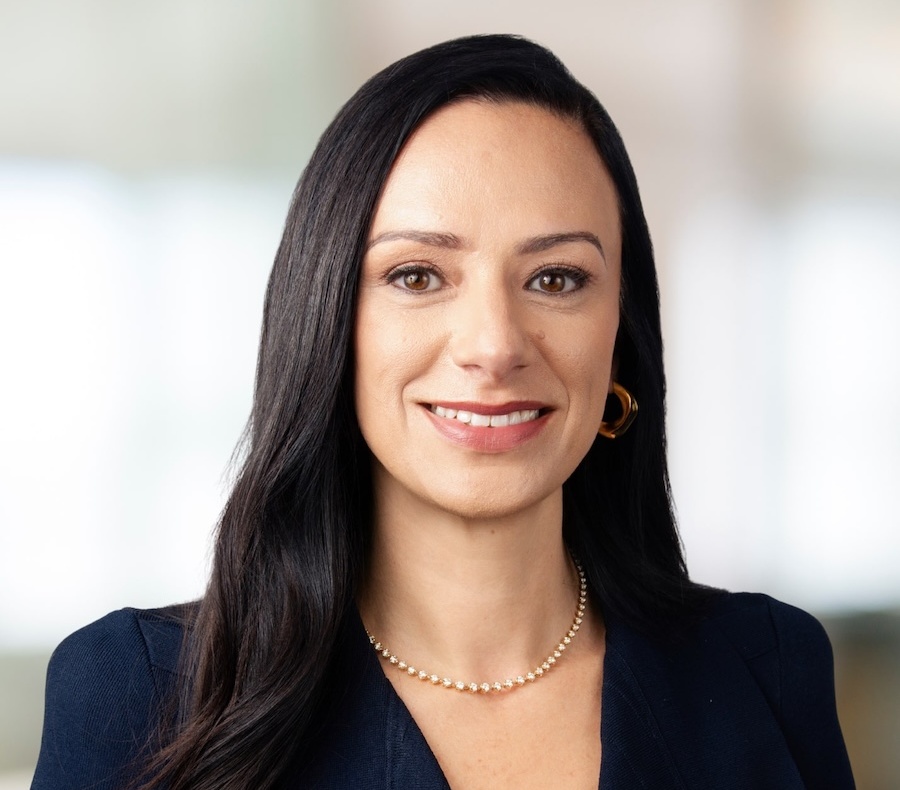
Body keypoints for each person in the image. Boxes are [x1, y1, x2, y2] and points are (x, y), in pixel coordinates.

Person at [31, 34, 854, 790]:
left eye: (557, 279)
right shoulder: (138, 696)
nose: (494, 346)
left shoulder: (765, 670)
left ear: (620, 338)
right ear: (327, 321)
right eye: (418, 276)